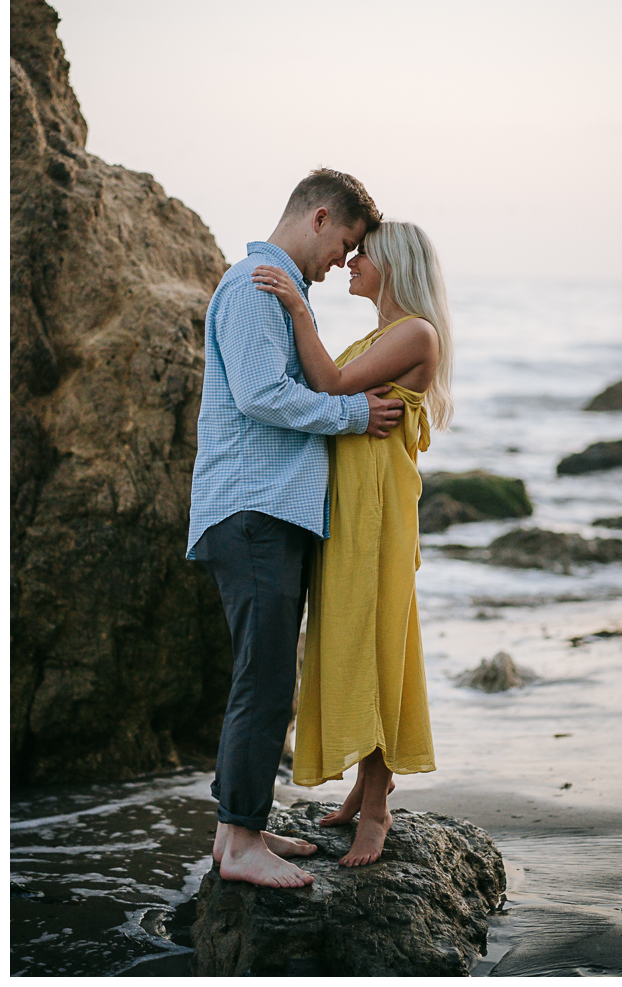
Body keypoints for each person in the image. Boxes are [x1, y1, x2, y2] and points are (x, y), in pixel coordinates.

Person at [186, 169, 406, 889]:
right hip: (252, 510)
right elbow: (260, 396)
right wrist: (352, 415)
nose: (343, 261)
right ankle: (243, 840)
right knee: (266, 677)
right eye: (343, 243)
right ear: (317, 218)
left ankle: (235, 833)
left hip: (262, 510)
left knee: (265, 671)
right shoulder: (257, 284)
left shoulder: (278, 290)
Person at [251, 219, 453, 867]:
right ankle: (371, 781)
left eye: (362, 254)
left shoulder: (415, 332)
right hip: (352, 509)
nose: (349, 262)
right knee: (356, 639)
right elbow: (335, 390)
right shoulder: (383, 334)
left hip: (378, 515)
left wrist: (293, 304)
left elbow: (332, 386)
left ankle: (376, 810)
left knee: (371, 645)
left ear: (393, 263)